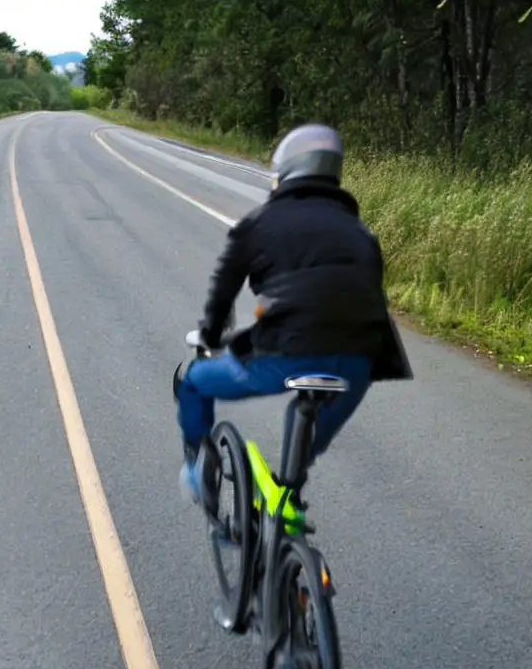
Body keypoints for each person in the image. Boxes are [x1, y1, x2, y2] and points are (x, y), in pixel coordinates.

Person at [173, 123, 412, 512]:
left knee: (195, 383)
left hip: (287, 352)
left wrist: (211, 336)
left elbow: (222, 294)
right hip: (358, 362)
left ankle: (197, 469)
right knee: (307, 427)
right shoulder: (360, 232)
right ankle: (288, 499)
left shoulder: (257, 225)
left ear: (283, 173)